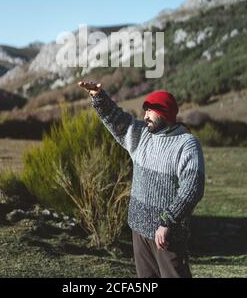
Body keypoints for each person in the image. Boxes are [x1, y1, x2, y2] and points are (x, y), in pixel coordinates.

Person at [78, 80, 205, 278]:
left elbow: (193, 187)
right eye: (145, 111)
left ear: (165, 112)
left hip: (167, 235)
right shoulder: (142, 135)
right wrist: (97, 95)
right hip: (138, 230)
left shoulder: (186, 144)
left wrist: (167, 221)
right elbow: (116, 119)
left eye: (150, 111)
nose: (145, 116)